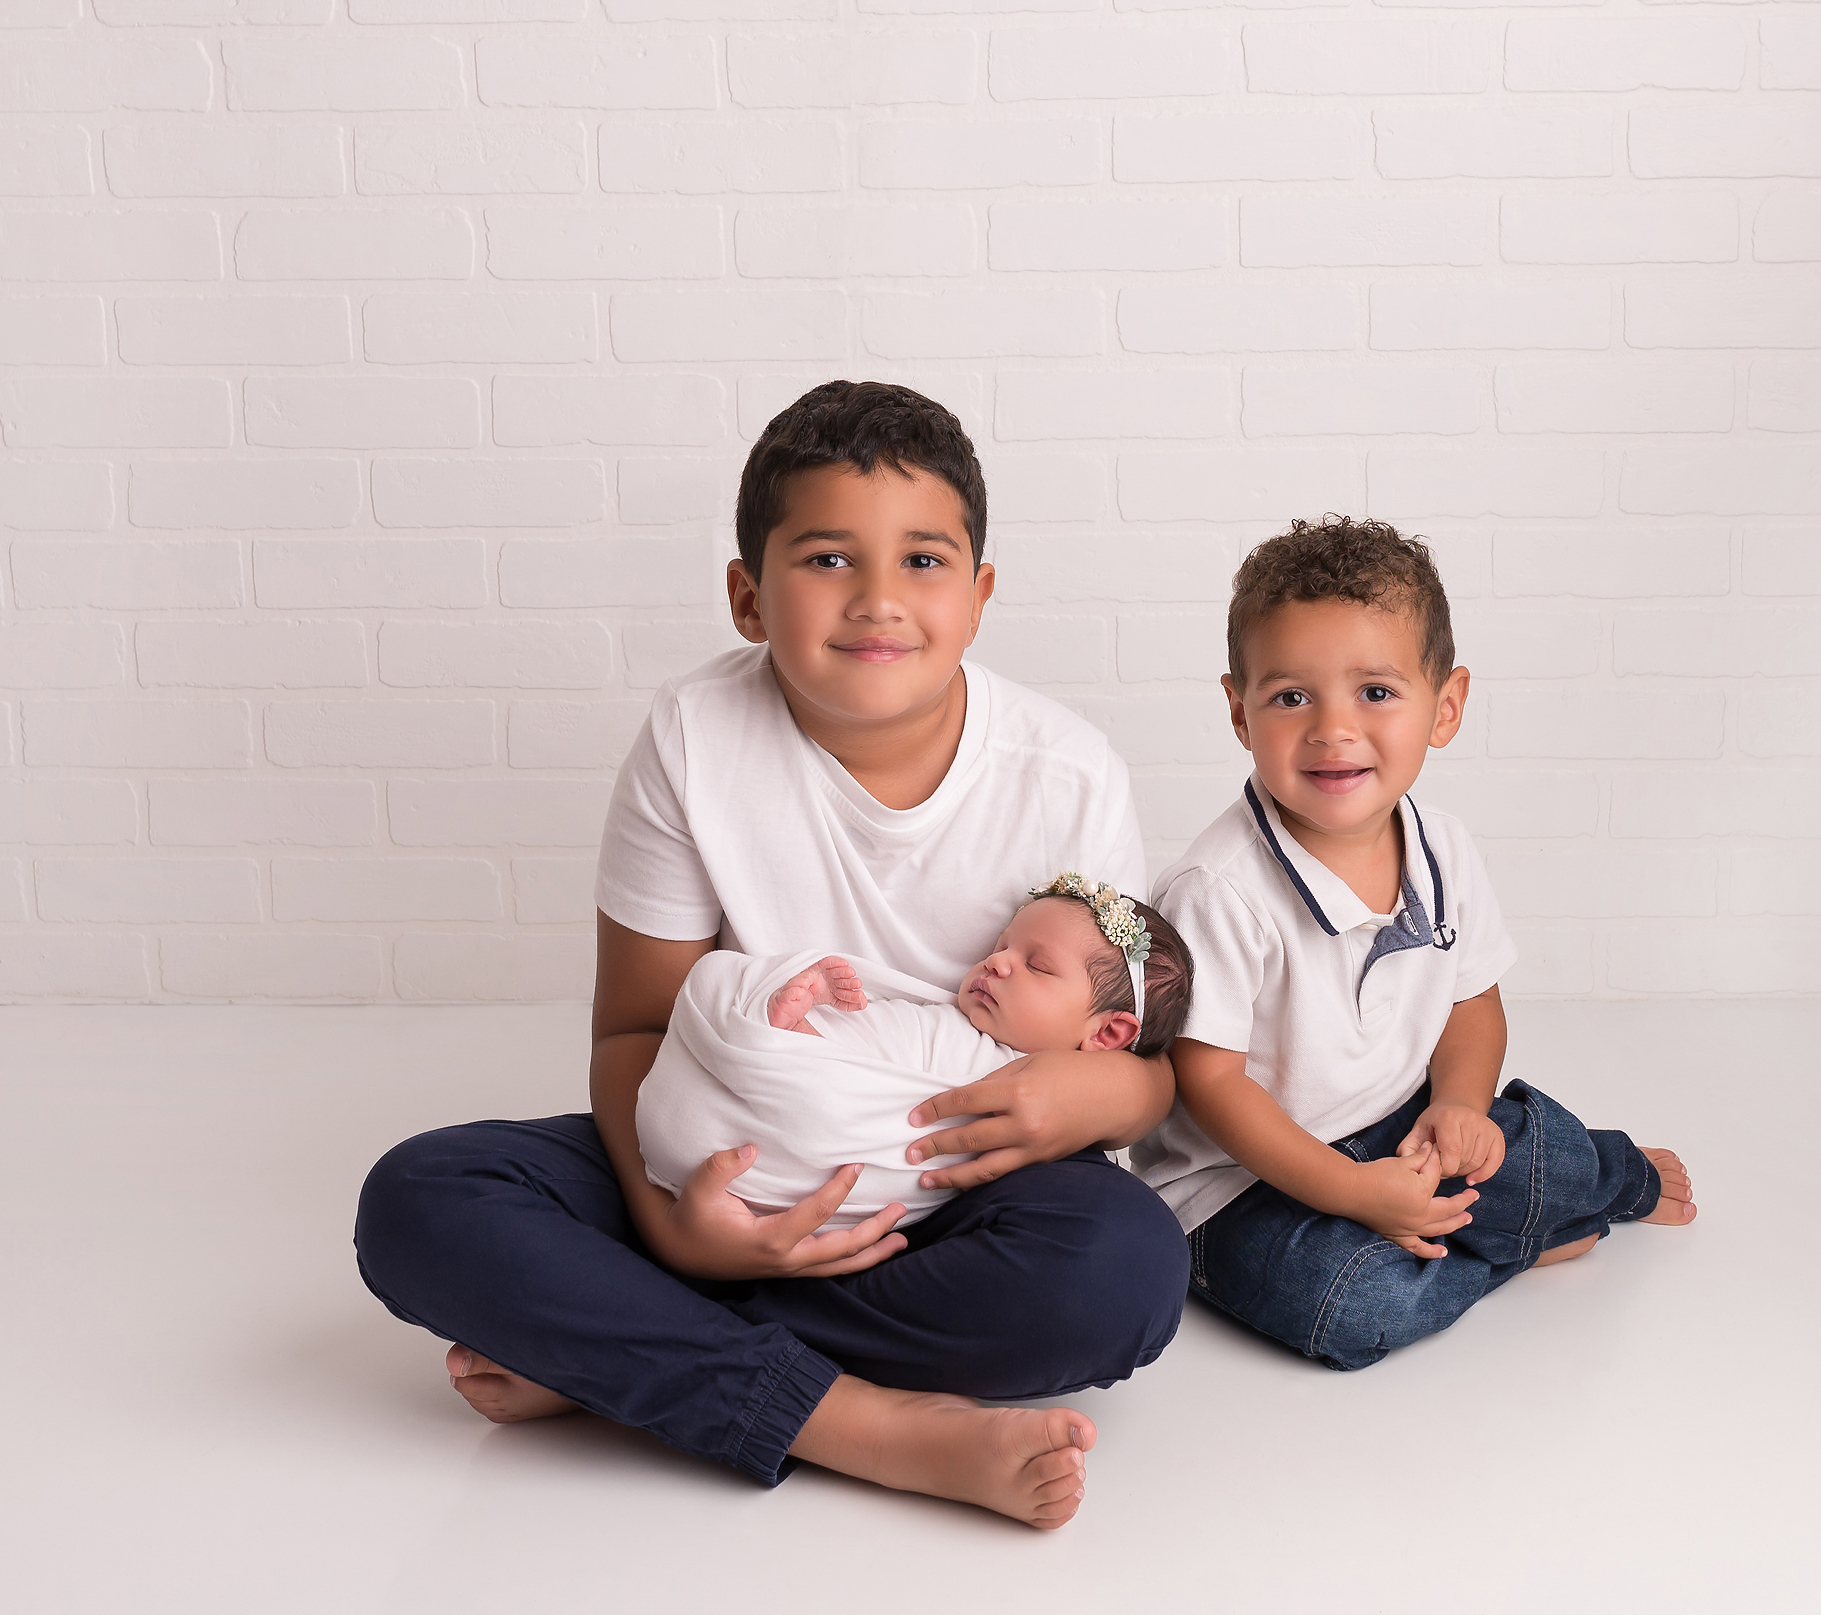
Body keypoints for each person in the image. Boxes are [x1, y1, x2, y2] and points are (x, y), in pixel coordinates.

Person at [354, 382, 1189, 1529]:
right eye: (829, 559)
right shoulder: (694, 737)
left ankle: (616, 1355)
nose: (880, 601)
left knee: (1126, 1269)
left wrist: (1102, 1091)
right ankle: (871, 1425)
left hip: (949, 1185)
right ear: (748, 596)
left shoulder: (1066, 770)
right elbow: (633, 1033)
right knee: (420, 1200)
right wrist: (672, 1229)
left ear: (982, 596)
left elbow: (1127, 1037)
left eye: (925, 562)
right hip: (738, 1159)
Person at [1130, 516, 1697, 1372]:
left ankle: (1606, 1179)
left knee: (1535, 1154)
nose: (1332, 729)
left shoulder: (1442, 846)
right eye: (1290, 696)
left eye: (1376, 692)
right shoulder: (1221, 888)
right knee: (1352, 1304)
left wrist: (1460, 1107)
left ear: (1447, 705)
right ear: (1240, 712)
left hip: (1399, 1126)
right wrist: (1350, 1191)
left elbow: (1472, 1003)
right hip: (1242, 1186)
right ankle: (1516, 1243)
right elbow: (1208, 1083)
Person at [637, 877, 1195, 1234]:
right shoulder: (950, 1024)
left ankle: (790, 1038)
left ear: (1107, 1034)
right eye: (1002, 947)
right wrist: (809, 1030)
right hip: (725, 1153)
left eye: (1038, 966)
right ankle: (785, 1037)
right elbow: (873, 1049)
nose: (998, 963)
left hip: (794, 1154)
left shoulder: (1017, 1078)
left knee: (1125, 1245)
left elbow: (870, 1112)